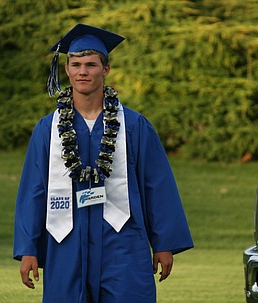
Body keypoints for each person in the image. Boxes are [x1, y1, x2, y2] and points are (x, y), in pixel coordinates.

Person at [13, 23, 193, 303]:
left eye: (91, 64)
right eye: (75, 64)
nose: (82, 71)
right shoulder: (47, 129)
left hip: (122, 240)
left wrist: (164, 243)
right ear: (67, 69)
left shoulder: (133, 126)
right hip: (65, 241)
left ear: (105, 69)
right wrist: (28, 249)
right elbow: (34, 190)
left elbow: (156, 184)